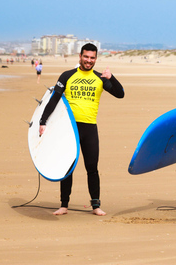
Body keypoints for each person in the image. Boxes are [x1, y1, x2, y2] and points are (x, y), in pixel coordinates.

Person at [38, 43, 124, 216]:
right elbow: (55, 99)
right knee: (67, 167)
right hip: (69, 129)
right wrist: (43, 121)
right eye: (86, 57)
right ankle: (64, 205)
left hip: (90, 128)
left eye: (92, 58)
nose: (89, 60)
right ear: (80, 56)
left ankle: (96, 206)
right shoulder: (67, 76)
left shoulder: (101, 78)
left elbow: (120, 93)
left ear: (95, 59)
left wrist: (111, 77)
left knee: (92, 167)